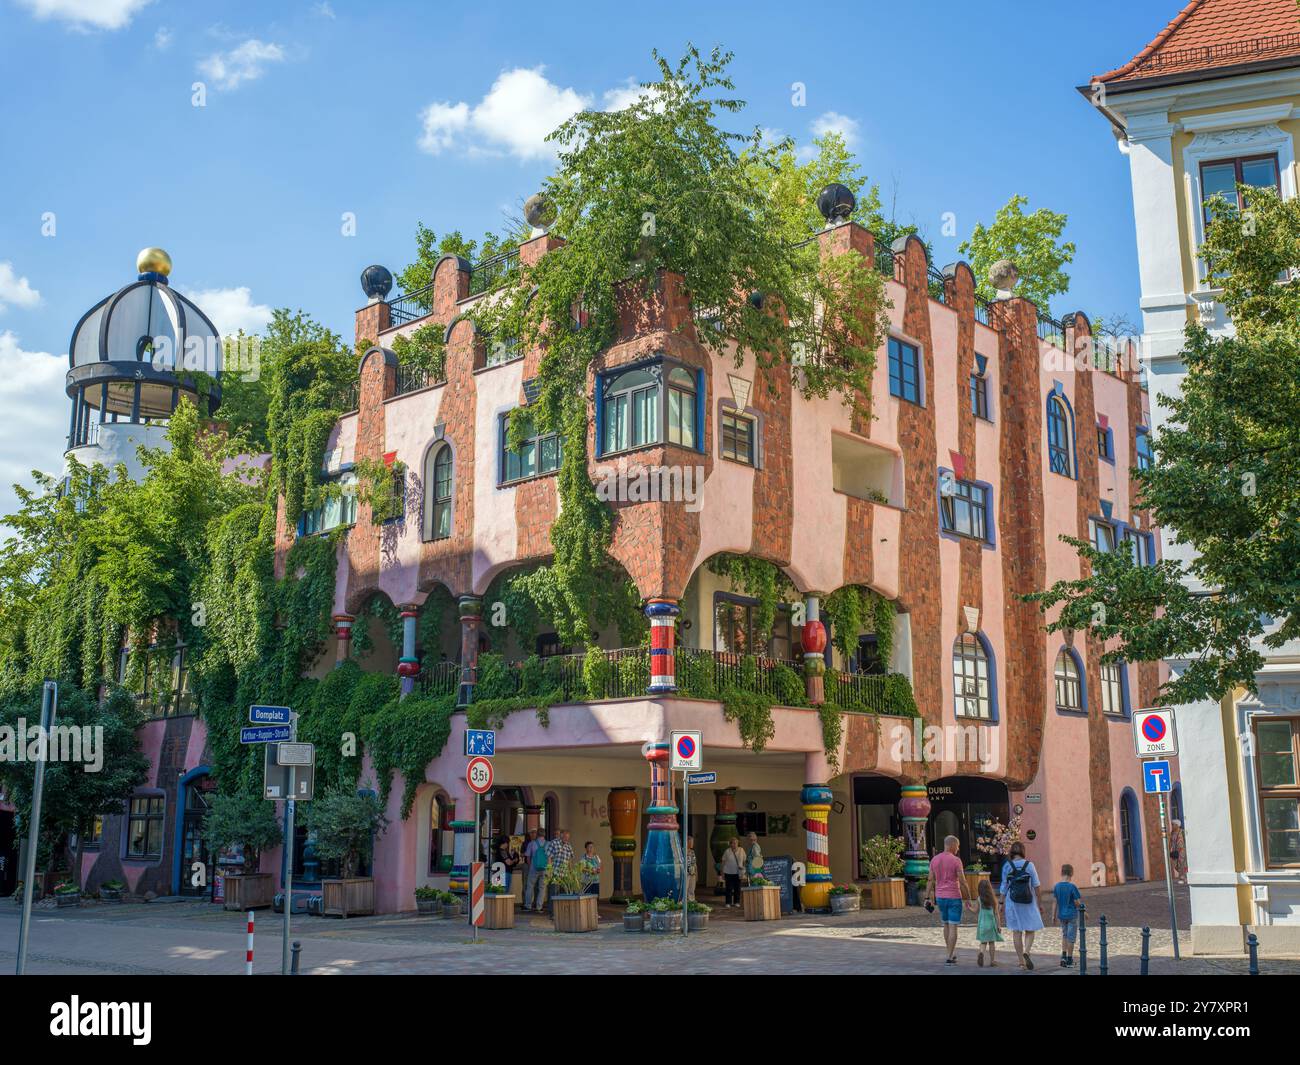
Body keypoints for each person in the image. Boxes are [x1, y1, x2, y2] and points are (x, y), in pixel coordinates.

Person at [925, 835, 974, 965]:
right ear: (952, 845)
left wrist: (926, 897)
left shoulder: (934, 860)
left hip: (940, 897)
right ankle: (950, 955)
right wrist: (968, 897)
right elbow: (963, 881)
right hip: (953, 897)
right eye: (957, 846)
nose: (958, 849)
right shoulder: (956, 861)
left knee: (946, 924)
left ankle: (950, 953)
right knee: (953, 927)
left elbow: (930, 880)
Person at [999, 841, 1044, 970]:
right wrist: (1040, 903)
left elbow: (1004, 886)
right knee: (1030, 929)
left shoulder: (1007, 866)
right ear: (1023, 851)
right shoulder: (1030, 865)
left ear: (1011, 852)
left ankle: (1021, 962)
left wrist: (1001, 903)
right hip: (1028, 901)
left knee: (1016, 932)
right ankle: (1027, 951)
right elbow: (1037, 886)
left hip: (1012, 903)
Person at [1051, 863, 1083, 968]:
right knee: (1071, 938)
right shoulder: (1072, 886)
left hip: (1062, 916)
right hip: (1072, 915)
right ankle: (1069, 960)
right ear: (1071, 873)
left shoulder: (1057, 886)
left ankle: (1063, 957)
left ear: (1062, 873)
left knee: (1064, 936)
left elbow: (1054, 902)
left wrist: (1053, 916)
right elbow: (1076, 902)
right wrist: (1083, 910)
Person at [975, 877, 1003, 968]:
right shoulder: (993, 900)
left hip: (982, 924)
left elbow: (975, 910)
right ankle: (992, 961)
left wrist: (969, 907)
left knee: (983, 942)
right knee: (991, 943)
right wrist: (999, 925)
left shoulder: (979, 899)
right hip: (991, 924)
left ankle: (981, 953)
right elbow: (996, 914)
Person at [524, 830, 549, 912]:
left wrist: (531, 866)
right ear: (544, 835)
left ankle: (528, 905)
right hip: (545, 869)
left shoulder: (532, 844)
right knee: (542, 888)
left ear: (537, 835)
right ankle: (539, 907)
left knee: (530, 886)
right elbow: (550, 858)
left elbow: (527, 857)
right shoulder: (548, 844)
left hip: (533, 868)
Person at [721, 837, 745, 907]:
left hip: (738, 873)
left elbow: (744, 861)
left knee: (737, 888)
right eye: (733, 843)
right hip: (728, 872)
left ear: (738, 844)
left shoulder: (741, 850)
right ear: (730, 844)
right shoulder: (727, 851)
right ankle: (728, 902)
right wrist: (722, 872)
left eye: (736, 843)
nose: (734, 844)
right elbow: (723, 862)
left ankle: (736, 902)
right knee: (728, 888)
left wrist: (744, 869)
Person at [1169, 820, 1188, 884]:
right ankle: (1182, 876)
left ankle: (1183, 877)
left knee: (1182, 864)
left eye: (1173, 824)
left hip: (1182, 850)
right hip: (1175, 850)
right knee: (1176, 864)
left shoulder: (1182, 831)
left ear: (1177, 825)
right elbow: (1171, 841)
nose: (1172, 826)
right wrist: (1169, 849)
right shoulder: (1172, 833)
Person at [685, 836, 698, 902]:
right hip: (686, 873)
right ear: (687, 842)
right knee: (685, 888)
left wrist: (696, 872)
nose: (692, 843)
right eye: (691, 842)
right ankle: (685, 902)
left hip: (692, 873)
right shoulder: (683, 850)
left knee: (692, 888)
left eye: (693, 842)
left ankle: (691, 901)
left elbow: (694, 863)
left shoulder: (692, 851)